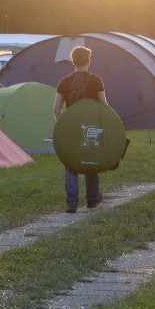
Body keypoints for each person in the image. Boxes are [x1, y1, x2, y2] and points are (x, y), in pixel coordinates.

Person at [53, 45, 109, 213]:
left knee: (71, 163)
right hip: (90, 127)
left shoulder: (63, 82)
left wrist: (63, 126)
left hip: (71, 128)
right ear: (89, 61)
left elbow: (56, 109)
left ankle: (72, 202)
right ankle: (92, 199)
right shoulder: (96, 80)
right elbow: (104, 105)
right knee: (91, 160)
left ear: (73, 61)